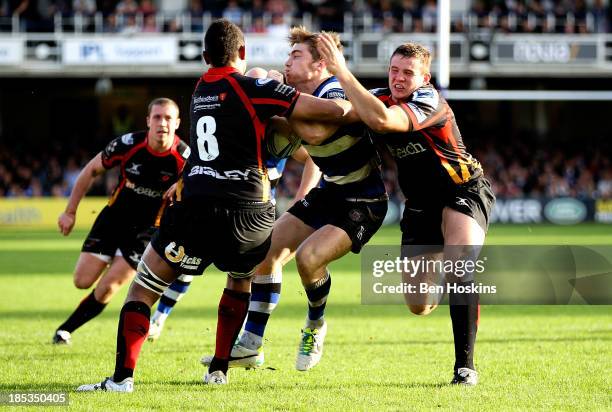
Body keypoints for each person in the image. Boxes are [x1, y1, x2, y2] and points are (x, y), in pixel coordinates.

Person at [76, 19, 353, 391]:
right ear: (241, 53)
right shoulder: (254, 87)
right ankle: (219, 368)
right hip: (252, 212)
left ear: (205, 56)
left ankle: (122, 379)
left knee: (143, 288)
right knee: (239, 281)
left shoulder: (200, 88)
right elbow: (332, 111)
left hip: (199, 206)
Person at [202, 26, 388, 372]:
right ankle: (251, 344)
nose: (287, 62)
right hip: (331, 191)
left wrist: (269, 104)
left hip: (364, 200)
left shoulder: (333, 89)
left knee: (309, 258)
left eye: (296, 56)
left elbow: (316, 132)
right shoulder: (295, 97)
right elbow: (307, 151)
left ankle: (315, 325)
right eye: (288, 56)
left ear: (320, 65)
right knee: (266, 252)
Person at [316, 35, 496, 385]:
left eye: (408, 73)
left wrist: (339, 69)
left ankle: (465, 367)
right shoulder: (381, 97)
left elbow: (383, 121)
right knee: (419, 304)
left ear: (424, 79)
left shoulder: (430, 102)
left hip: (464, 190)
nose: (398, 78)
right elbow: (344, 114)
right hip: (419, 206)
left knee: (461, 265)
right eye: (394, 70)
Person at [146, 67, 323, 345]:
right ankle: (161, 317)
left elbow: (314, 156)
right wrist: (184, 180)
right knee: (191, 262)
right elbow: (205, 157)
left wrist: (303, 195)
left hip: (252, 214)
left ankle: (250, 341)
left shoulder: (278, 127)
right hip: (220, 205)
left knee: (254, 270)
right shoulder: (233, 121)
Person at [52, 98, 189, 345]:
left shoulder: (185, 160)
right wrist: (70, 212)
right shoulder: (127, 145)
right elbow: (91, 170)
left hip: (146, 233)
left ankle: (65, 330)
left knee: (108, 287)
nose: (162, 123)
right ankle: (106, 263)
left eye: (168, 118)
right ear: (148, 121)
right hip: (112, 221)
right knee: (81, 281)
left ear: (177, 123)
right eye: (157, 117)